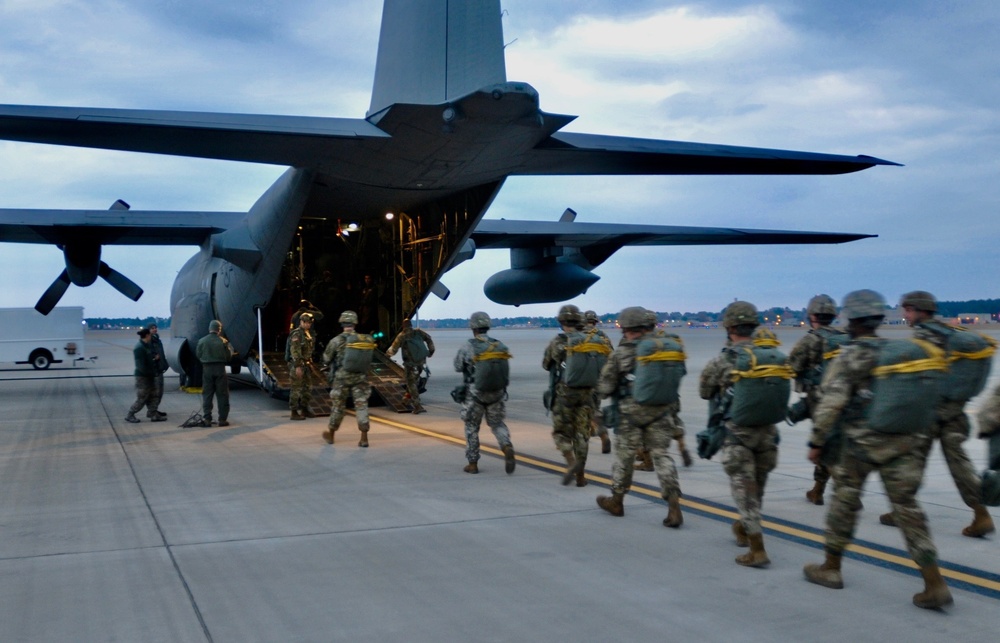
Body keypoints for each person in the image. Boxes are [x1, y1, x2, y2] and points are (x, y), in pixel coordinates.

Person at [803, 289, 953, 609]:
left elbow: (831, 403)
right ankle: (934, 582)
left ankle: (831, 568)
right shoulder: (900, 350)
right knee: (908, 510)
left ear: (851, 320)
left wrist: (816, 442)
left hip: (862, 445)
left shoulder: (852, 355)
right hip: (905, 442)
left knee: (844, 502)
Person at [878, 291, 995, 537]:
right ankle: (981, 513)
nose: (904, 315)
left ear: (915, 310)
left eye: (906, 310)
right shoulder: (950, 332)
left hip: (930, 412)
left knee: (910, 460)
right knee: (959, 463)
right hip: (955, 410)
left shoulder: (924, 336)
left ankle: (902, 510)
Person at [699, 301, 789, 568]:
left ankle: (757, 549)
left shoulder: (723, 359)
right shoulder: (772, 356)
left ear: (729, 328)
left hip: (738, 436)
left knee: (744, 493)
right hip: (768, 434)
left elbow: (705, 391)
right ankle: (743, 528)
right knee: (756, 489)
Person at [595, 307, 683, 529]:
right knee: (662, 456)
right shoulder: (668, 349)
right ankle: (673, 506)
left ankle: (617, 501)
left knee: (624, 457)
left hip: (630, 414)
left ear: (626, 329)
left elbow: (604, 388)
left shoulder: (621, 354)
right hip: (662, 411)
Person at [787, 294, 848, 505]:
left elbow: (791, 367)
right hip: (846, 399)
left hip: (820, 400)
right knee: (831, 444)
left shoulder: (810, 340)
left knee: (824, 446)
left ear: (812, 315)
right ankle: (818, 489)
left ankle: (848, 492)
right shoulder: (844, 338)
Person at [542, 304, 609, 486]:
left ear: (561, 321)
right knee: (582, 435)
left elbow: (546, 363)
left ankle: (571, 462)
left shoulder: (559, 341)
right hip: (588, 394)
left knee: (561, 433)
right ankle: (581, 476)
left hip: (565, 394)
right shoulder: (593, 340)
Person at [453, 312, 516, 474]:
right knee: (497, 424)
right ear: (488, 326)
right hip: (497, 393)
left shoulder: (469, 345)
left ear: (473, 327)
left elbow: (458, 366)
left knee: (472, 427)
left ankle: (472, 463)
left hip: (476, 394)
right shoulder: (499, 345)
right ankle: (506, 446)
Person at [322, 310, 374, 446]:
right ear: (355, 323)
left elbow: (326, 358)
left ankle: (331, 435)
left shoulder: (336, 341)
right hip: (360, 378)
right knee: (361, 406)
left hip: (342, 378)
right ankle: (364, 438)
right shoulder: (362, 339)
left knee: (338, 406)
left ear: (342, 323)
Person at [385, 318, 435, 413]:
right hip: (421, 362)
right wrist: (431, 351)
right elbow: (429, 339)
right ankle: (406, 399)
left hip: (410, 365)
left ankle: (417, 405)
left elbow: (393, 349)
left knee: (411, 383)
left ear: (403, 326)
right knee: (413, 380)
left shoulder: (402, 336)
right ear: (411, 325)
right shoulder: (419, 332)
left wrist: (386, 356)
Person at [583, 310, 613, 454]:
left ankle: (597, 434)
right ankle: (602, 435)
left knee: (580, 410)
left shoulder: (578, 336)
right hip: (599, 380)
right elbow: (612, 357)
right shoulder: (602, 336)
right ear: (595, 321)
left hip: (582, 381)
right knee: (595, 408)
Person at [196, 320, 233, 427]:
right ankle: (222, 419)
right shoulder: (223, 341)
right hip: (220, 369)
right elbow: (228, 357)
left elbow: (198, 354)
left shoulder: (202, 341)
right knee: (222, 395)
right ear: (219, 329)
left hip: (207, 369)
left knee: (207, 394)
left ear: (209, 328)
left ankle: (207, 419)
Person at [125, 328, 162, 423]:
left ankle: (153, 414)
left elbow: (148, 360)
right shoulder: (139, 348)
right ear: (147, 335)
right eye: (150, 335)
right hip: (143, 377)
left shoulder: (146, 346)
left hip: (150, 375)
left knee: (154, 395)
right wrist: (149, 374)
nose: (151, 336)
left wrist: (154, 359)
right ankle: (130, 414)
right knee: (142, 397)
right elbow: (141, 366)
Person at [288, 312, 316, 421]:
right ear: (301, 322)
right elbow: (294, 351)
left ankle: (304, 408)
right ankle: (294, 411)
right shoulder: (297, 334)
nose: (308, 325)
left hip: (306, 365)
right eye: (306, 322)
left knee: (307, 388)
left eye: (309, 323)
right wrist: (298, 366)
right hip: (298, 365)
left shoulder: (307, 333)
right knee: (296, 388)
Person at [147, 323, 170, 420]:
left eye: (155, 328)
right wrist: (153, 358)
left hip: (159, 369)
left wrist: (164, 364)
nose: (155, 329)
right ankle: (153, 413)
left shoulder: (157, 340)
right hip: (154, 370)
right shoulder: (148, 341)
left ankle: (153, 410)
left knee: (159, 392)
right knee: (156, 393)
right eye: (152, 328)